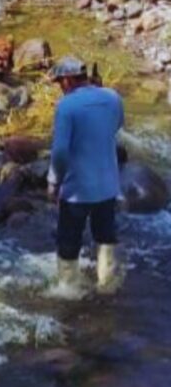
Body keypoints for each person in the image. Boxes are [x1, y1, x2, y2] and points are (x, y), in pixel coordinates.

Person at [47, 56, 125, 295]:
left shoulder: (67, 106)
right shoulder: (113, 98)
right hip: (108, 187)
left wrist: (54, 182)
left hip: (76, 191)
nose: (61, 87)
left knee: (68, 242)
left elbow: (60, 152)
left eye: (60, 82)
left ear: (69, 80)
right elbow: (116, 127)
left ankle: (68, 291)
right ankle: (107, 286)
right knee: (105, 238)